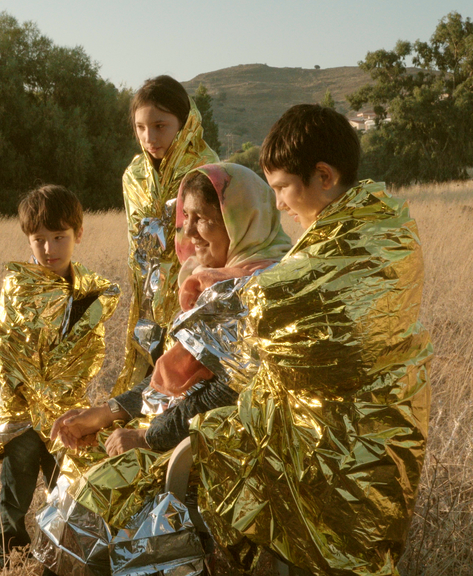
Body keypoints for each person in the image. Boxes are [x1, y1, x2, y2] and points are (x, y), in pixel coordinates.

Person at [188, 104, 431, 575]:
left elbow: (290, 314)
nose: (278, 204)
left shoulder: (363, 239)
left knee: (338, 555)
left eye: (281, 188)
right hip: (341, 436)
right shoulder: (373, 225)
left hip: (360, 441)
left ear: (323, 175)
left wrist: (227, 300)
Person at [33, 164, 291, 575]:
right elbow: (170, 380)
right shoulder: (212, 280)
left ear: (243, 220)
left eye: (204, 219)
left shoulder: (256, 288)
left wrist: (146, 436)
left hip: (222, 453)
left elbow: (226, 394)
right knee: (74, 472)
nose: (188, 233)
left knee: (94, 500)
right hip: (182, 432)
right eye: (185, 218)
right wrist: (108, 411)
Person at [0, 185, 120, 563]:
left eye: (59, 237)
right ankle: (8, 561)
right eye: (38, 239)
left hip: (69, 415)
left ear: (78, 234)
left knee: (68, 490)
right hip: (23, 415)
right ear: (28, 240)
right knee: (15, 496)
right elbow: (4, 349)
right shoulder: (17, 285)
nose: (49, 249)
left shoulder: (93, 293)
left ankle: (58, 558)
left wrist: (64, 406)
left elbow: (90, 355)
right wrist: (38, 397)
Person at [115, 75, 220, 397]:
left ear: (184, 123)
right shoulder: (133, 176)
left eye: (160, 125)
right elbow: (137, 247)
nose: (150, 137)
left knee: (185, 390)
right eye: (141, 127)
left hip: (194, 298)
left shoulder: (208, 169)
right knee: (144, 390)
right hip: (147, 302)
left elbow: (217, 242)